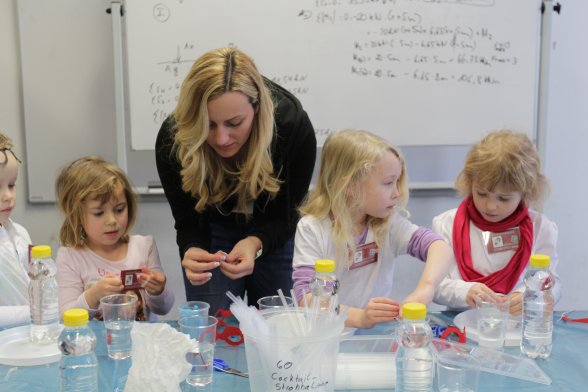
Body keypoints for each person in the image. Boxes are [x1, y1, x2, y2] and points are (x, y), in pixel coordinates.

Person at [155, 47, 316, 312]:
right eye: (208, 125)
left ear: (257, 107)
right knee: (215, 327)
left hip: (274, 225)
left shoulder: (292, 126)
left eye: (234, 123)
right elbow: (187, 220)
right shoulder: (174, 139)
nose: (221, 139)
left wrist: (255, 242)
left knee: (278, 324)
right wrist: (191, 248)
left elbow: (286, 215)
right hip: (212, 226)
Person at [292, 130, 452, 329]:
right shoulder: (312, 229)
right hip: (327, 337)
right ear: (350, 186)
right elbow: (306, 300)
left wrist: (426, 288)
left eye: (397, 182)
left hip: (374, 339)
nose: (396, 193)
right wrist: (359, 318)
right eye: (388, 183)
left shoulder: (387, 224)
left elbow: (439, 246)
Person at [432, 130, 559, 315]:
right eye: (481, 194)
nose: (491, 206)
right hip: (461, 327)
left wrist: (529, 295)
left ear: (525, 192)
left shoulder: (541, 228)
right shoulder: (446, 224)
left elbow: (552, 284)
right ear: (469, 183)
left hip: (517, 326)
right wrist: (464, 291)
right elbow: (434, 286)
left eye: (504, 198)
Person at [55, 156, 174, 320]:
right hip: (95, 344)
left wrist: (158, 290)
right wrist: (93, 295)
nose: (112, 221)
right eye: (98, 213)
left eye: (119, 209)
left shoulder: (144, 246)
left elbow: (164, 308)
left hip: (143, 343)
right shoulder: (70, 257)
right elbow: (64, 317)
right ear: (77, 216)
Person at [0, 132, 32, 327]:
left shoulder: (20, 233)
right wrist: (34, 312)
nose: (7, 196)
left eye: (11, 185)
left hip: (25, 338)